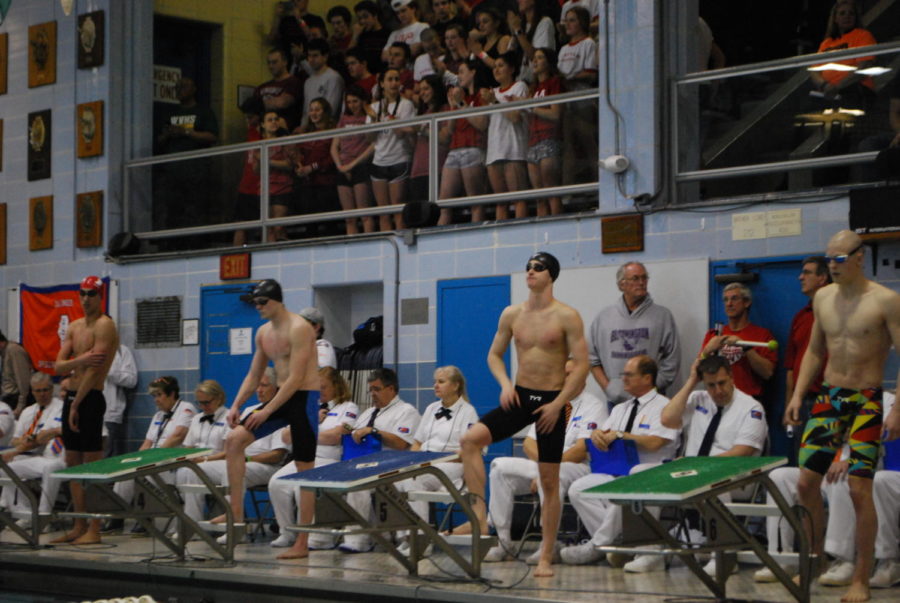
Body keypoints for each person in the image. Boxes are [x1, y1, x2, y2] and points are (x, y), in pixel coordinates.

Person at [457, 251, 590, 577]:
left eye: (538, 268)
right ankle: (480, 518)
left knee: (548, 481)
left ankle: (546, 554)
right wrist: (504, 384)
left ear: (551, 276)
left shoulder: (567, 316)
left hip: (550, 402)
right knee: (470, 440)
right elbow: (494, 355)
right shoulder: (511, 314)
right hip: (519, 396)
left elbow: (583, 366)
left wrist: (559, 404)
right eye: (528, 267)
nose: (531, 272)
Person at [785, 229, 900, 603]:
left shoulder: (885, 301)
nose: (831, 266)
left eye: (838, 259)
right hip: (830, 397)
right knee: (805, 484)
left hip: (867, 400)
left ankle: (861, 577)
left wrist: (896, 406)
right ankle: (818, 557)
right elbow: (815, 352)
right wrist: (799, 394)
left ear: (858, 258)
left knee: (857, 489)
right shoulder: (823, 298)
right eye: (828, 258)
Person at [622, 355, 767, 575]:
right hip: (689, 472)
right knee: (639, 473)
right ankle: (650, 553)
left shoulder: (751, 407)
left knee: (714, 484)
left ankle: (723, 556)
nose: (717, 391)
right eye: (711, 385)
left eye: (722, 383)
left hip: (735, 476)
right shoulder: (699, 398)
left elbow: (742, 452)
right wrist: (691, 381)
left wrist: (699, 465)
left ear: (731, 377)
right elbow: (668, 420)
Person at [222, 278, 320, 558]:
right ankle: (237, 522)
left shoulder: (299, 328)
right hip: (280, 397)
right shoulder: (263, 333)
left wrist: (265, 410)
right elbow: (254, 374)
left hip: (303, 398)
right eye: (255, 303)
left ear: (277, 300)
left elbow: (297, 377)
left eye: (262, 302)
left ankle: (302, 542)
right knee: (234, 440)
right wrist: (237, 404)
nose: (258, 308)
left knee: (306, 471)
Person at [560, 355, 679, 567]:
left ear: (647, 378)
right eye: (623, 374)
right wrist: (597, 436)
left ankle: (599, 544)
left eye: (629, 375)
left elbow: (655, 443)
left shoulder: (665, 406)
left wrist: (623, 435)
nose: (623, 379)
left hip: (653, 472)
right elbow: (608, 434)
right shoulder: (620, 408)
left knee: (631, 480)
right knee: (579, 488)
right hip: (617, 469)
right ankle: (618, 546)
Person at [483, 359, 606, 563]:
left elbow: (580, 450)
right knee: (500, 467)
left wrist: (546, 468)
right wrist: (544, 465)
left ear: (582, 378)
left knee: (551, 475)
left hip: (575, 468)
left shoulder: (594, 406)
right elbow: (530, 443)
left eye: (569, 374)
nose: (562, 379)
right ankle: (504, 541)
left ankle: (548, 545)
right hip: (543, 463)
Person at [51, 275, 119, 545]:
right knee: (72, 464)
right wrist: (79, 359)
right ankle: (79, 523)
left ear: (100, 296)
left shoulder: (105, 326)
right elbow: (57, 367)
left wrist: (76, 403)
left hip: (90, 399)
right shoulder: (75, 327)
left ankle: (95, 528)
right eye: (82, 294)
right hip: (72, 399)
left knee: (93, 465)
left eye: (91, 294)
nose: (86, 299)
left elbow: (94, 370)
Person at [269, 367, 359, 556]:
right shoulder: (309, 408)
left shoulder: (348, 407)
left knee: (303, 486)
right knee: (276, 483)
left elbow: (335, 437)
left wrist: (305, 432)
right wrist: (312, 425)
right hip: (305, 457)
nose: (320, 391)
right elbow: (285, 436)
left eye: (324, 386)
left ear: (336, 385)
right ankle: (287, 532)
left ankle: (315, 536)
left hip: (330, 459)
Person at [392, 366, 479, 555]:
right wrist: (410, 460)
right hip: (425, 462)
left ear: (456, 386)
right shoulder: (432, 408)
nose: (435, 386)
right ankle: (406, 536)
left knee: (413, 478)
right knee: (394, 478)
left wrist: (435, 461)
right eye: (435, 382)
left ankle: (421, 540)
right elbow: (417, 442)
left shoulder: (468, 412)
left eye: (441, 382)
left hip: (451, 465)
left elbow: (472, 449)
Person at [339, 368, 421, 553]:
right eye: (370, 390)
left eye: (376, 389)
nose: (372, 394)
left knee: (359, 483)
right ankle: (368, 535)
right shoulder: (368, 413)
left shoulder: (407, 411)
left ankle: (358, 540)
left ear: (391, 389)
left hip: (394, 463)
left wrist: (375, 432)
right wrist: (349, 431)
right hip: (365, 462)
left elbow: (401, 443)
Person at [108, 376, 196, 532]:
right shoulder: (158, 416)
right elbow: (147, 443)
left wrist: (153, 457)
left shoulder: (186, 409)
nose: (156, 400)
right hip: (153, 459)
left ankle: (145, 519)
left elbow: (178, 436)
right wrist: (135, 460)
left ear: (172, 394)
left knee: (146, 474)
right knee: (125, 475)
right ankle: (116, 518)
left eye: (159, 395)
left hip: (172, 463)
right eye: (154, 396)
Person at [588, 261, 681, 404]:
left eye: (645, 278)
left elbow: (672, 358)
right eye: (636, 278)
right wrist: (609, 388)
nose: (642, 282)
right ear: (621, 285)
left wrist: (654, 387)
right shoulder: (604, 318)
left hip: (652, 399)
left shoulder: (662, 316)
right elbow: (592, 359)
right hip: (616, 401)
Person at [0, 372, 65, 525]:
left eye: (46, 390)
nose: (42, 394)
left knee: (50, 467)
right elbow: (15, 440)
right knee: (6, 469)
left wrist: (18, 448)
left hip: (57, 457)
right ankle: (24, 513)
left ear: (51, 389)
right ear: (32, 391)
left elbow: (42, 438)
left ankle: (43, 516)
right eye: (38, 391)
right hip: (34, 456)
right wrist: (23, 441)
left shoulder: (60, 408)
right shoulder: (28, 411)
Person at [784, 256, 832, 463]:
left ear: (822, 278)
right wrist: (790, 403)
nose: (800, 277)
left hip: (831, 399)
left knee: (828, 464)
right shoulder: (801, 317)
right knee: (803, 464)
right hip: (803, 401)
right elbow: (791, 369)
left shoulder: (837, 313)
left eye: (807, 273)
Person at [701, 282, 776, 402]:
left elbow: (767, 373)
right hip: (718, 398)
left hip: (749, 399)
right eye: (726, 300)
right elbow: (698, 373)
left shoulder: (763, 335)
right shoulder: (713, 335)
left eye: (734, 299)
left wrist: (746, 347)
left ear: (747, 302)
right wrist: (707, 351)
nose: (729, 304)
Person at [438, 58, 489, 224]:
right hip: (454, 150)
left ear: (473, 72)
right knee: (443, 203)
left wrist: (461, 104)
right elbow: (451, 129)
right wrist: (453, 105)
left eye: (461, 72)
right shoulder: (462, 98)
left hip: (473, 148)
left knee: (475, 202)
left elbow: (482, 123)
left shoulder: (483, 94)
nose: (458, 76)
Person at [367, 68, 417, 231]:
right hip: (379, 161)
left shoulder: (406, 105)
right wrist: (375, 120)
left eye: (396, 79)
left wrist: (394, 122)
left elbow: (405, 134)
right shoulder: (374, 107)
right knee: (383, 213)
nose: (394, 83)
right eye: (390, 79)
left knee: (398, 210)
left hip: (399, 160)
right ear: (382, 84)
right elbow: (369, 139)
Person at [483, 51, 529, 220]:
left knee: (518, 198)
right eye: (494, 67)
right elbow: (483, 124)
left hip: (513, 149)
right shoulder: (492, 92)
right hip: (494, 151)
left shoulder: (519, 87)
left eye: (501, 66)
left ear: (512, 69)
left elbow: (515, 117)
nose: (496, 70)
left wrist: (495, 101)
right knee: (500, 201)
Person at [810, 0, 876, 110]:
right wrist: (825, 85)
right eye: (842, 13)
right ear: (835, 18)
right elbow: (814, 71)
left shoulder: (863, 35)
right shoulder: (827, 43)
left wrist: (837, 87)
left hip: (855, 89)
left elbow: (863, 67)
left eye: (851, 13)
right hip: (828, 92)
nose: (847, 16)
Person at [557, 6, 597, 185]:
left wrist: (571, 77)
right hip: (567, 102)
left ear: (582, 22)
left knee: (589, 143)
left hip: (583, 101)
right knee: (569, 147)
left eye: (572, 20)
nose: (568, 24)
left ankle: (598, 183)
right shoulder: (564, 48)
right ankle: (568, 187)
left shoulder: (588, 43)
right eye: (566, 20)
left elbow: (591, 73)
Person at [332, 85, 376, 234]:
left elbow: (373, 145)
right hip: (342, 167)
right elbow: (334, 146)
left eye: (355, 101)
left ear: (363, 101)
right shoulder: (343, 119)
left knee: (365, 215)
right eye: (349, 102)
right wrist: (340, 166)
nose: (352, 105)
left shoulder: (368, 118)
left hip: (361, 166)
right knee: (349, 218)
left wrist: (353, 164)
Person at [292, 97, 340, 230]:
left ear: (325, 111)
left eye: (317, 109)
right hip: (308, 185)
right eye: (311, 110)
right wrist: (299, 166)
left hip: (327, 184)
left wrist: (312, 168)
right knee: (310, 226)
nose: (314, 113)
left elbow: (333, 157)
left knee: (330, 226)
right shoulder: (306, 133)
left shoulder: (334, 131)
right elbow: (298, 154)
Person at [527, 47, 563, 216]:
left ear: (548, 62)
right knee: (538, 195)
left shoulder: (554, 82)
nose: (535, 61)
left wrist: (532, 107)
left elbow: (555, 113)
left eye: (540, 57)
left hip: (548, 138)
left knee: (551, 189)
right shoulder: (533, 88)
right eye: (534, 58)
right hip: (532, 141)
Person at [253, 110, 296, 242]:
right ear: (263, 124)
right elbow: (256, 170)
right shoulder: (259, 144)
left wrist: (268, 161)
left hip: (283, 186)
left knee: (278, 227)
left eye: (276, 119)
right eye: (270, 120)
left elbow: (290, 165)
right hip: (265, 188)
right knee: (267, 229)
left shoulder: (285, 142)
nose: (273, 122)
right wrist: (259, 160)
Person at [409, 74, 449, 202]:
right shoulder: (423, 114)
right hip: (418, 171)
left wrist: (421, 129)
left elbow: (444, 138)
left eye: (426, 89)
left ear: (436, 89)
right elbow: (414, 146)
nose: (422, 93)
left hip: (437, 169)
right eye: (420, 90)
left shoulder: (446, 110)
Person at [233, 96, 265, 247]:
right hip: (246, 185)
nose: (247, 121)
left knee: (267, 225)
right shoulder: (250, 131)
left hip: (262, 186)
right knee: (240, 225)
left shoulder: (268, 131)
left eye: (250, 117)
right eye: (246, 117)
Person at [507, 0, 556, 84]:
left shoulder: (545, 22)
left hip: (537, 82)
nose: (518, 1)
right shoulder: (521, 25)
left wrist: (518, 31)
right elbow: (509, 56)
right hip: (519, 81)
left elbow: (536, 57)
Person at [102, 344, 137, 458]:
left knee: (105, 455)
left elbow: (131, 380)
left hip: (109, 412)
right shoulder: (86, 349)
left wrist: (110, 372)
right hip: (87, 413)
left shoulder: (121, 351)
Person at [256, 48, 304, 131]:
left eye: (274, 62)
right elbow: (252, 108)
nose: (271, 66)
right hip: (265, 132)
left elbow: (282, 103)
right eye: (269, 63)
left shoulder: (294, 82)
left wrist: (260, 104)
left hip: (284, 132)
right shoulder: (261, 87)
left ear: (285, 62)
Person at [300, 39, 344, 124]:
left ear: (325, 57)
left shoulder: (333, 77)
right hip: (311, 129)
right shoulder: (308, 82)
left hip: (327, 127)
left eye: (315, 56)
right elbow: (306, 111)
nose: (311, 59)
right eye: (309, 56)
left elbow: (331, 109)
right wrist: (303, 127)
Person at [469, 6, 511, 80]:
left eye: (485, 22)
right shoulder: (481, 43)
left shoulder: (503, 40)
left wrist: (481, 54)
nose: (481, 26)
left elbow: (501, 67)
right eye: (479, 23)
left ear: (496, 23)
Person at [0, 329, 34, 418]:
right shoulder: (4, 352)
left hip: (16, 400)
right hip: (8, 399)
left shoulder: (14, 351)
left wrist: (20, 408)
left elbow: (23, 381)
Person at [350, 1, 390, 74]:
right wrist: (355, 36)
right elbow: (350, 56)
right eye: (359, 18)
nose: (362, 21)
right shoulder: (361, 35)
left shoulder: (388, 34)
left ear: (375, 16)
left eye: (365, 17)